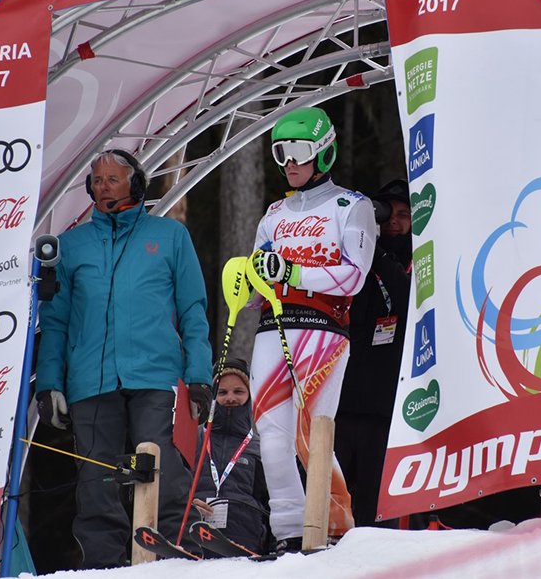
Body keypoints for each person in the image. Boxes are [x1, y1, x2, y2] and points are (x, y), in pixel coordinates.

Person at [35, 149, 212, 569]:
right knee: (97, 479)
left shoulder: (170, 236)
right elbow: (55, 321)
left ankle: (174, 556)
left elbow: (193, 311)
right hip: (90, 382)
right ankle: (104, 567)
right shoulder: (71, 245)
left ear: (135, 183)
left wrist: (200, 375)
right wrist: (49, 384)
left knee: (161, 464)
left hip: (157, 375)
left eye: (112, 179)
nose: (102, 187)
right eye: (96, 180)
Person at [246, 107, 376, 551]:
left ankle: (333, 526)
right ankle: (288, 533)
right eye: (281, 152)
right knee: (270, 433)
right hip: (273, 326)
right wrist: (241, 280)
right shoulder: (274, 213)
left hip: (323, 327)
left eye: (299, 152)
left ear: (324, 153)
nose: (290, 163)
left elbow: (355, 277)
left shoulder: (352, 207)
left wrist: (294, 272)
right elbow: (255, 277)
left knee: (310, 431)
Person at [335, 179, 413, 528]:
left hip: (386, 412)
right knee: (328, 497)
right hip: (342, 404)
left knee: (375, 508)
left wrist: (376, 251)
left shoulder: (418, 261)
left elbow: (404, 293)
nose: (392, 222)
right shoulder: (355, 257)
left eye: (403, 215)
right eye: (384, 215)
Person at [192, 359, 270, 554]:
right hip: (194, 539)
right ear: (212, 396)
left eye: (238, 391)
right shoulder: (192, 439)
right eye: (222, 392)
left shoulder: (261, 446)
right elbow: (171, 489)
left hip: (245, 544)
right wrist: (188, 502)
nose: (230, 398)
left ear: (250, 395)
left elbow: (270, 504)